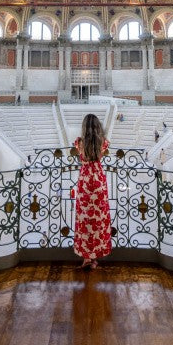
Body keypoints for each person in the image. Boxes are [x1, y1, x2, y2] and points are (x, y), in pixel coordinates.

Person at [73, 113, 112, 270]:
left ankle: (86, 258)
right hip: (98, 180)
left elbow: (80, 155)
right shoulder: (103, 143)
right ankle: (95, 257)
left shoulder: (79, 142)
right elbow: (101, 154)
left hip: (84, 181)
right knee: (98, 219)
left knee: (84, 220)